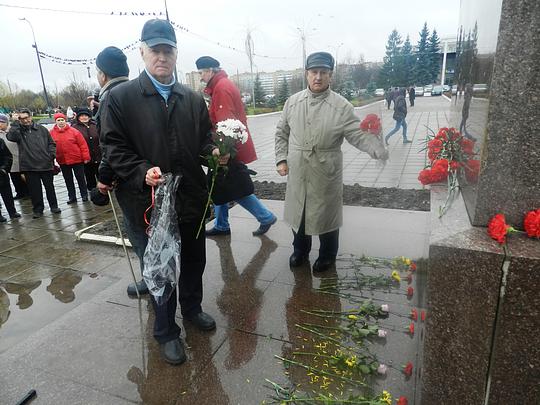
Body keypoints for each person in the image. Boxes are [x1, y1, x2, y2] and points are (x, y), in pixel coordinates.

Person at [101, 18, 225, 365]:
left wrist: (214, 150)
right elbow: (114, 148)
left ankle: (193, 309)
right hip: (151, 203)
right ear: (142, 52)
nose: (161, 56)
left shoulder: (190, 98)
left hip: (191, 198)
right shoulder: (122, 98)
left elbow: (202, 139)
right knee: (160, 268)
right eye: (154, 49)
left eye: (167, 50)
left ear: (175, 53)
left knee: (194, 260)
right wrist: (143, 172)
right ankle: (166, 331)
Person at [275, 51, 388, 273]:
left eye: (323, 72)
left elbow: (358, 134)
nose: (318, 77)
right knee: (300, 212)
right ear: (306, 74)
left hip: (325, 168)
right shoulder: (293, 102)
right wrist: (281, 159)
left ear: (330, 76)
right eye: (314, 72)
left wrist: (377, 149)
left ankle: (327, 255)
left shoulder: (342, 106)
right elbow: (281, 132)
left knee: (326, 214)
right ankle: (300, 250)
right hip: (298, 168)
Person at [195, 56, 277, 237]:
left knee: (235, 187)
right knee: (220, 187)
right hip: (228, 147)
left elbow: (227, 123)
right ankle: (222, 225)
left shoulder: (221, 88)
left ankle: (265, 217)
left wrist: (224, 151)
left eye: (201, 73)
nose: (201, 77)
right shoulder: (222, 84)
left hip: (227, 149)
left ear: (210, 71)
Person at [7, 108, 61, 218]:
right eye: (22, 119)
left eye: (26, 117)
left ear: (30, 117)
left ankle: (54, 206)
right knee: (34, 190)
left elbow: (51, 143)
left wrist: (51, 155)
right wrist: (16, 122)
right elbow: (11, 137)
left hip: (45, 164)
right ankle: (38, 209)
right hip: (29, 166)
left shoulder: (42, 129)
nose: (25, 120)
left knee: (50, 187)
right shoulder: (18, 131)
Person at [50, 112, 90, 204]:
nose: (61, 122)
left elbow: (82, 145)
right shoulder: (51, 133)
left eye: (62, 120)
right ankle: (72, 196)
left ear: (65, 120)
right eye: (58, 120)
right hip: (63, 160)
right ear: (55, 122)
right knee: (68, 179)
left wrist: (86, 156)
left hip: (77, 159)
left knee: (80, 178)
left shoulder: (74, 131)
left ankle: (84, 195)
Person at [0, 113, 29, 199]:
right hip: (8, 160)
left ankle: (28, 192)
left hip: (19, 157)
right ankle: (19, 192)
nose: (0, 124)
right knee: (14, 177)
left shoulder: (12, 131)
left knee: (23, 177)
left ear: (6, 123)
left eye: (2, 122)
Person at [72, 107, 100, 190]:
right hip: (85, 157)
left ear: (89, 116)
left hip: (98, 155)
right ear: (78, 117)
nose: (84, 117)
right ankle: (92, 191)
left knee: (101, 174)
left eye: (86, 115)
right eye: (82, 116)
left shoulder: (95, 125)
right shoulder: (75, 128)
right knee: (89, 176)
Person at [0, 136, 21, 222]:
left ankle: (12, 212)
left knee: (7, 194)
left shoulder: (0, 141)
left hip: (1, 173)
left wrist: (4, 168)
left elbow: (7, 156)